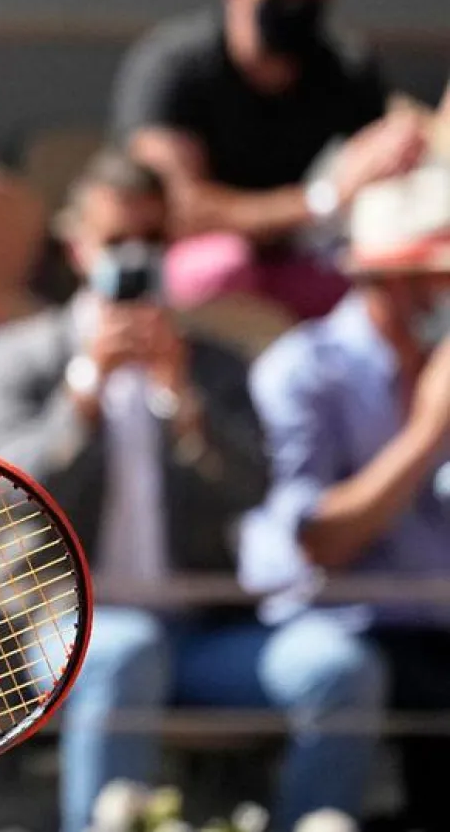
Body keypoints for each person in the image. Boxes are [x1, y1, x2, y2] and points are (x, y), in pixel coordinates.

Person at [0, 150, 385, 832]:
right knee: (126, 648)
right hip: (53, 632)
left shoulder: (212, 363)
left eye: (152, 240)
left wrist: (185, 401)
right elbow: (7, 493)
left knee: (342, 668)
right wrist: (85, 392)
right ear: (77, 248)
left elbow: (256, 488)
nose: (136, 258)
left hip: (198, 633)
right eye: (116, 243)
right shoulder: (14, 357)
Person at [242, 136, 450, 831]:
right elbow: (321, 541)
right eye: (443, 275)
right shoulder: (301, 370)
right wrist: (427, 430)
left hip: (435, 630)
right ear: (391, 280)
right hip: (339, 624)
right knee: (351, 671)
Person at [110, 0, 423, 322]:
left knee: (380, 281)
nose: (294, 7)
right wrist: (321, 200)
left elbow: (381, 172)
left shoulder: (346, 69)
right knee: (223, 262)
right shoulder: (173, 68)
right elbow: (179, 213)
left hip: (304, 264)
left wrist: (404, 147)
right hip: (194, 278)